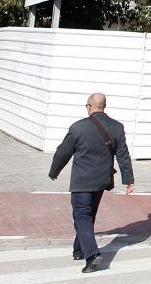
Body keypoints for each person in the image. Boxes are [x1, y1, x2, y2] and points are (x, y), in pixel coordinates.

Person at [48, 93, 135, 273]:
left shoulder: (78, 128)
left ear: (89, 106)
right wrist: (128, 180)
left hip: (82, 180)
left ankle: (92, 255)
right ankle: (79, 249)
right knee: (88, 215)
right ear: (104, 106)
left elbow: (63, 151)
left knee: (82, 215)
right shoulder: (117, 127)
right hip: (102, 180)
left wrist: (54, 171)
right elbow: (123, 155)